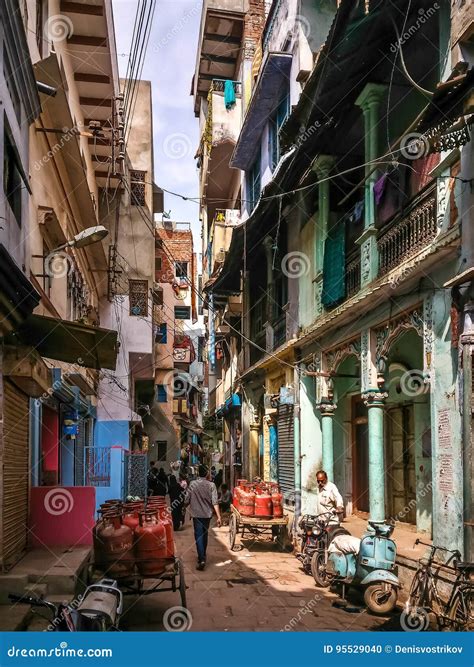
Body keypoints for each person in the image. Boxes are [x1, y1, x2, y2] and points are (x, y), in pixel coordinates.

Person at [186, 464, 221, 570]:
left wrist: (184, 506)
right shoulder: (211, 485)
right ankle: (203, 556)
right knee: (204, 535)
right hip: (207, 515)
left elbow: (186, 499)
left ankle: (201, 558)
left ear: (198, 473)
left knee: (199, 536)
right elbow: (215, 502)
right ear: (206, 474)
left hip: (196, 514)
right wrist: (219, 516)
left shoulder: (192, 484)